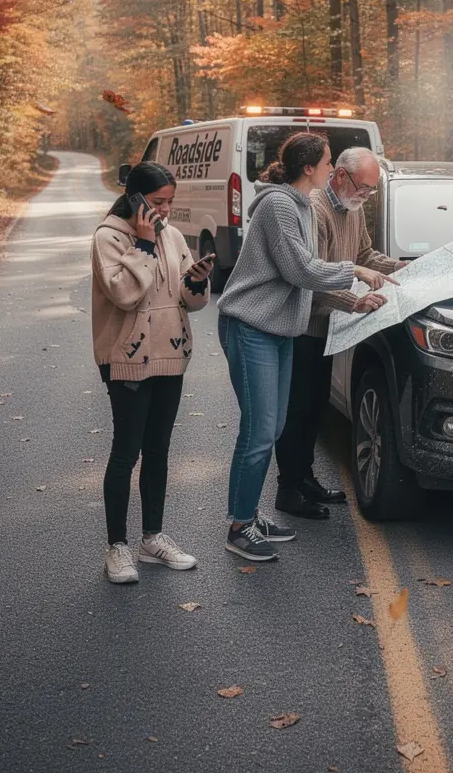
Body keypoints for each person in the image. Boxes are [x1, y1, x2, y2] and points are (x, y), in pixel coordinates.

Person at [216, 132, 393, 562]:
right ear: (309, 167)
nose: (332, 169)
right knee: (260, 432)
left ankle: (248, 515)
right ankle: (239, 527)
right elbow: (301, 269)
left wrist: (368, 283)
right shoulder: (280, 205)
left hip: (279, 330)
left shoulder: (297, 205)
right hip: (251, 326)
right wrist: (354, 274)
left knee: (274, 428)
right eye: (328, 162)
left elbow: (313, 269)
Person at [91, 161, 214, 584]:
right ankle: (117, 548)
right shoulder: (108, 238)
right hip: (125, 359)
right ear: (135, 198)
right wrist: (143, 244)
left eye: (170, 202)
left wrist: (196, 281)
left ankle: (152, 539)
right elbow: (125, 294)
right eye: (158, 202)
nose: (165, 210)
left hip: (170, 355)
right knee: (126, 452)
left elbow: (189, 302)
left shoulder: (174, 236)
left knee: (158, 450)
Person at [274, 147, 406, 518]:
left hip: (329, 328)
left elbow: (364, 256)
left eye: (371, 190)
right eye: (363, 187)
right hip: (303, 326)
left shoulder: (353, 206)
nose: (367, 195)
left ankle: (305, 480)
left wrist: (400, 267)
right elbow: (310, 276)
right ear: (341, 177)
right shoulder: (315, 209)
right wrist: (354, 302)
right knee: (297, 411)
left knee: (315, 409)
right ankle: (288, 490)